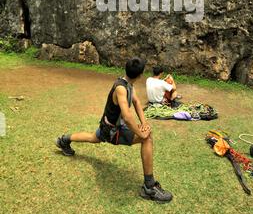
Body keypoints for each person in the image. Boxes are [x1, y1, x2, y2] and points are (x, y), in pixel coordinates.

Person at [56, 57, 172, 203]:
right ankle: (149, 187)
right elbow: (127, 116)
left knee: (93, 137)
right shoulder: (121, 89)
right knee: (147, 138)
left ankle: (64, 140)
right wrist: (140, 132)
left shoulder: (127, 83)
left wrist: (144, 122)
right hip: (113, 130)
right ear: (140, 75)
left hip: (107, 125)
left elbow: (136, 102)